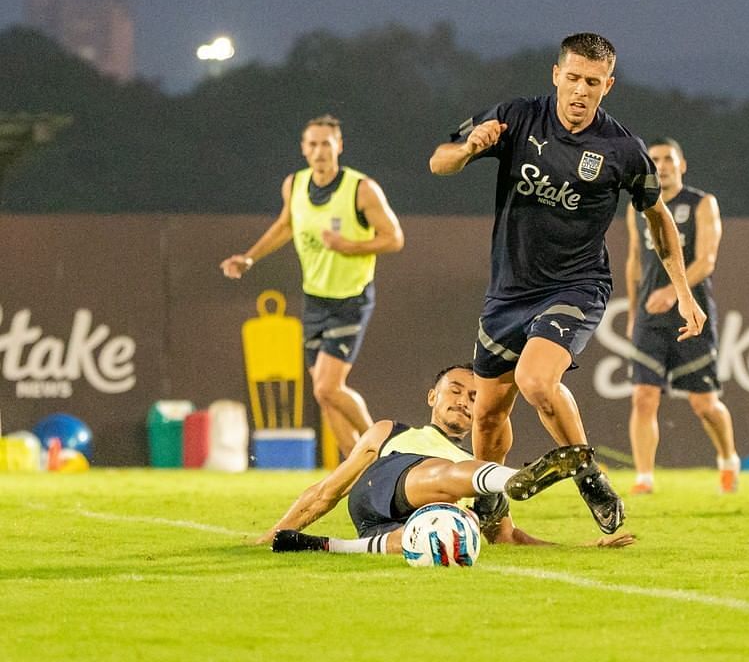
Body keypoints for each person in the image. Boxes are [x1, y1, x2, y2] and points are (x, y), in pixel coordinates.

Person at [428, 32, 706, 535]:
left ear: (609, 86)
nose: (580, 91)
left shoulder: (623, 149)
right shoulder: (516, 116)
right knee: (487, 417)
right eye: (573, 78)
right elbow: (438, 161)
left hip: (576, 286)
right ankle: (494, 519)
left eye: (593, 83)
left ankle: (588, 474)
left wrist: (684, 291)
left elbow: (659, 220)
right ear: (555, 74)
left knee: (536, 380)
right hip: (508, 293)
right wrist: (469, 148)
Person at [256, 363, 634, 553]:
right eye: (454, 390)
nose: (463, 400)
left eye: (474, 398)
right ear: (432, 397)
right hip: (385, 485)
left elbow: (507, 537)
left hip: (403, 532)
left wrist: (580, 549)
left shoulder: (475, 462)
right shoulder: (392, 431)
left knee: (458, 527)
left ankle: (328, 546)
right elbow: (328, 491)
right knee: (447, 476)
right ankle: (513, 480)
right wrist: (270, 532)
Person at [221, 115, 404, 458]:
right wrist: (249, 258)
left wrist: (350, 246)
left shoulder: (361, 189)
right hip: (315, 300)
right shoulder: (295, 184)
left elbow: (394, 238)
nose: (320, 151)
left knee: (328, 386)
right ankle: (358, 470)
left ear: (340, 146)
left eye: (326, 143)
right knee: (324, 395)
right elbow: (284, 225)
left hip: (351, 298)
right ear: (304, 149)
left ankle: (385, 449)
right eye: (313, 144)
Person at [624, 138, 739, 495]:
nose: (662, 165)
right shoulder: (638, 206)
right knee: (644, 396)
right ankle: (644, 478)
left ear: (682, 165)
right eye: (654, 159)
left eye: (668, 159)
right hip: (649, 317)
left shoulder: (702, 204)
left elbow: (707, 260)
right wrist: (632, 311)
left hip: (692, 313)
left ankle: (727, 459)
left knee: (704, 404)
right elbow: (634, 262)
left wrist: (675, 291)